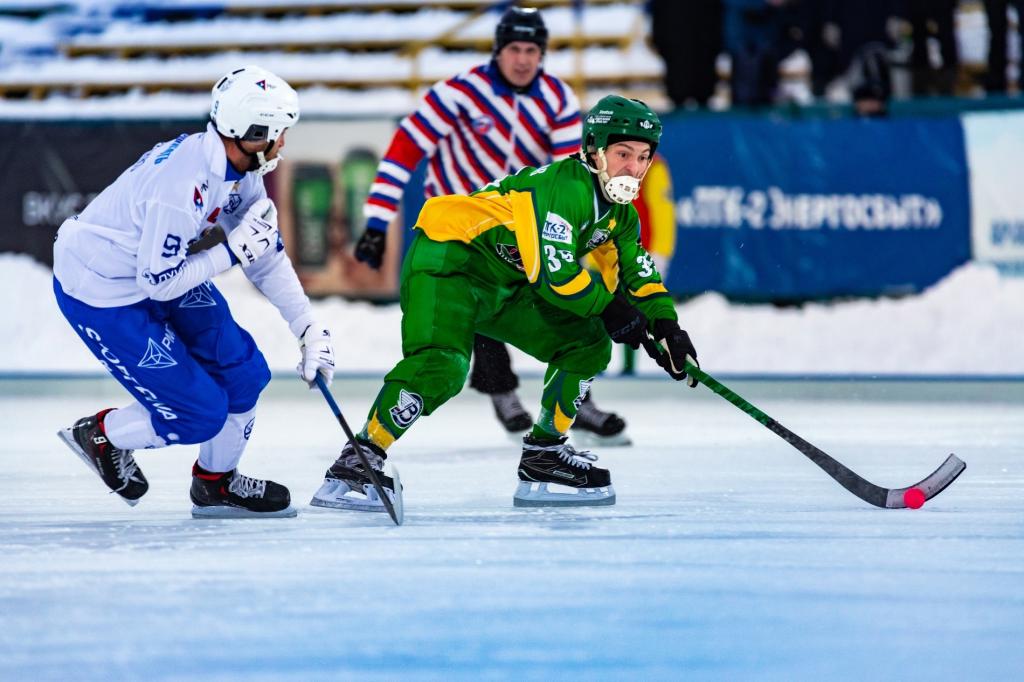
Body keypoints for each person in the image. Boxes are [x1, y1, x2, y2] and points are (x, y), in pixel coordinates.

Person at [311, 95, 699, 512]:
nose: (634, 168)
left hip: (507, 283)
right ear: (594, 150)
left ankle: (544, 455)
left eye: (643, 157)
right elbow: (557, 276)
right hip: (450, 258)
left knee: (587, 343)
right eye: (623, 153)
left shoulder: (621, 215)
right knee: (444, 364)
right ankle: (358, 461)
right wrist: (611, 309)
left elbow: (640, 275)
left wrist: (669, 329)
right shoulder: (564, 187)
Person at [53, 66, 335, 518]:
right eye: (279, 133)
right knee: (197, 415)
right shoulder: (181, 187)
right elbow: (160, 282)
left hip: (152, 272)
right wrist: (230, 252)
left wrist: (309, 328)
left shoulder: (239, 168)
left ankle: (215, 485)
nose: (283, 143)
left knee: (245, 375)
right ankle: (101, 434)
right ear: (252, 132)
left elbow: (263, 251)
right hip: (102, 291)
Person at [351, 6, 630, 444]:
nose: (523, 59)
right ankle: (504, 395)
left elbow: (575, 174)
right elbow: (406, 149)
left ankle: (578, 402)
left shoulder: (556, 99)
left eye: (532, 50)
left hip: (521, 230)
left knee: (568, 305)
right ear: (499, 51)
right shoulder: (459, 92)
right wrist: (377, 219)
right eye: (515, 49)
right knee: (475, 306)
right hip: (458, 232)